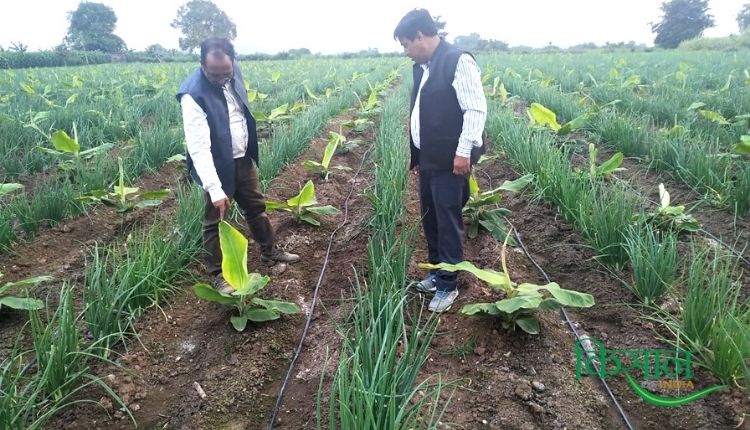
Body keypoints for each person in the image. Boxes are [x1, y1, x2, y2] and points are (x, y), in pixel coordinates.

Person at [176, 37, 299, 293]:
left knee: (256, 207)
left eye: (226, 72)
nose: (221, 78)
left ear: (232, 63)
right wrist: (214, 187)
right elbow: (199, 147)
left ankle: (269, 251)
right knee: (215, 220)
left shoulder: (233, 72)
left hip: (241, 157)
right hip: (216, 164)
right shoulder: (193, 95)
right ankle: (218, 274)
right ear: (202, 65)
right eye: (214, 74)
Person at [394, 9, 487, 312]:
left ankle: (448, 285)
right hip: (430, 159)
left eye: (407, 44)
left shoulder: (458, 60)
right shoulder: (424, 66)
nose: (406, 52)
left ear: (421, 36)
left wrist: (463, 153)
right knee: (430, 217)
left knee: (447, 222)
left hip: (451, 161)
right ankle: (436, 272)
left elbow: (475, 110)